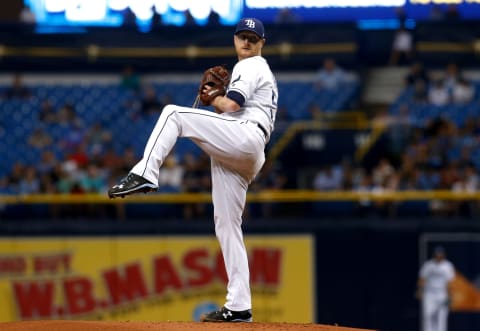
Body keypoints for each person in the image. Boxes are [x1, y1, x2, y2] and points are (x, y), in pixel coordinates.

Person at [108, 17, 277, 323]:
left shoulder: (251, 66)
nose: (247, 42)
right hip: (245, 148)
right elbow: (228, 110)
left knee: (173, 112)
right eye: (243, 36)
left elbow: (232, 107)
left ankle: (146, 171)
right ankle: (239, 305)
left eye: (253, 38)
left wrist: (214, 97)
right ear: (235, 39)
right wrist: (215, 100)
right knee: (227, 225)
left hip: (244, 135)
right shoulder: (255, 70)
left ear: (262, 43)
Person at [417, 246, 455, 331]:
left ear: (444, 255)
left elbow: (450, 282)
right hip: (429, 293)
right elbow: (422, 279)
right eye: (437, 254)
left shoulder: (448, 266)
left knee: (441, 317)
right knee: (428, 315)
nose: (439, 256)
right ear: (434, 255)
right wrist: (420, 290)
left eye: (440, 254)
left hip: (442, 293)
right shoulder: (428, 265)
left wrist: (450, 296)